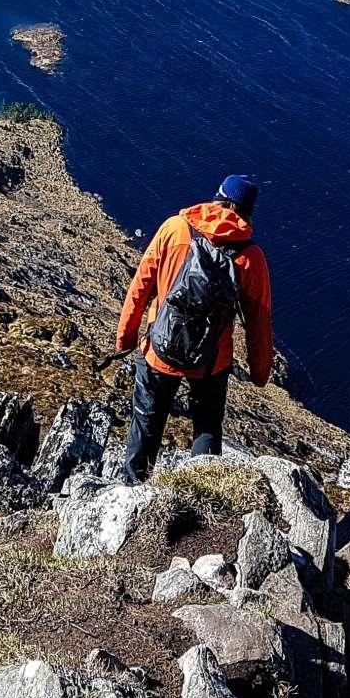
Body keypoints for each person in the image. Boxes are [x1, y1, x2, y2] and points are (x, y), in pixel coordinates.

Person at [115, 174, 273, 482]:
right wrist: (259, 373)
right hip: (211, 362)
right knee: (207, 428)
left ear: (219, 200)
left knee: (146, 424)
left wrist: (126, 337)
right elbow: (259, 324)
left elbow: (141, 287)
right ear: (246, 211)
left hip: (158, 350)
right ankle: (202, 495)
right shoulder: (251, 258)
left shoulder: (174, 228)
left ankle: (133, 490)